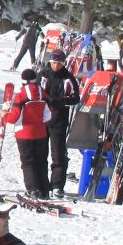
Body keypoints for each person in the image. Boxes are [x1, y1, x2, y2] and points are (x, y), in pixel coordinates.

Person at [1, 69, 51, 199]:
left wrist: (5, 116)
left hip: (24, 134)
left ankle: (32, 189)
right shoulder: (43, 93)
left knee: (28, 162)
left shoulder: (21, 95)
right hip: (41, 133)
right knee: (41, 161)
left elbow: (13, 118)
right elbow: (48, 115)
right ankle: (44, 190)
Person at [38, 51, 80, 196]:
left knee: (58, 153)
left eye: (59, 63)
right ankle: (41, 184)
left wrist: (59, 101)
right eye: (54, 62)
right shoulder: (43, 74)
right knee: (41, 153)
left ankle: (57, 185)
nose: (56, 65)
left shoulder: (68, 78)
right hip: (42, 119)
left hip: (59, 120)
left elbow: (75, 98)